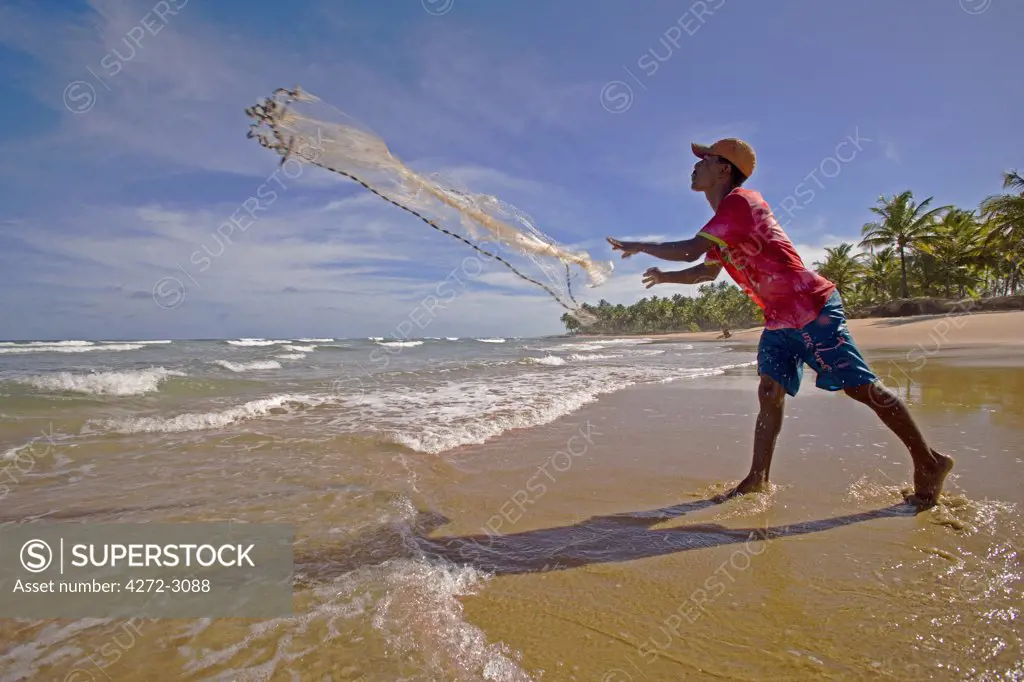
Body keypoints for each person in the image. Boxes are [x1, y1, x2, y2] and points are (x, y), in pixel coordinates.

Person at [606, 138, 953, 508]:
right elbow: (705, 272)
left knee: (860, 388)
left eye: (703, 160)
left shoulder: (742, 202)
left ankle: (929, 462)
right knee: (769, 393)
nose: (695, 166)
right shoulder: (722, 223)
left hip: (810, 308)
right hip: (777, 320)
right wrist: (664, 277)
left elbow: (690, 248)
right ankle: (757, 479)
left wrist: (641, 245)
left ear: (725, 168)